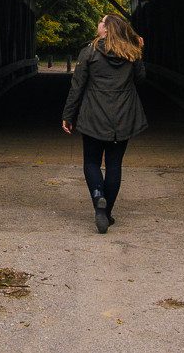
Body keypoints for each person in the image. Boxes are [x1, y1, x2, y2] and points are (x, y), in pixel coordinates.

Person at [61, 14, 147, 234]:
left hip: (93, 116)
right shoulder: (131, 53)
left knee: (91, 162)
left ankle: (98, 197)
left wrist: (68, 115)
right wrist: (139, 51)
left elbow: (77, 87)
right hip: (123, 116)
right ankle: (106, 213)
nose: (98, 24)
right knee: (114, 164)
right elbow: (140, 80)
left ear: (107, 30)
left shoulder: (89, 52)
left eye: (101, 22)